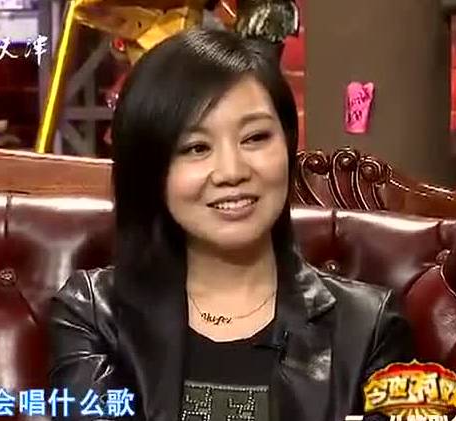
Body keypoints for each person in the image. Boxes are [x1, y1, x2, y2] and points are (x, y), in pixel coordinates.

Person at [48, 28, 414, 421]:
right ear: (149, 169)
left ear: (289, 146)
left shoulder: (367, 327)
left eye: (255, 138)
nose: (232, 171)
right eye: (196, 148)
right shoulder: (93, 315)